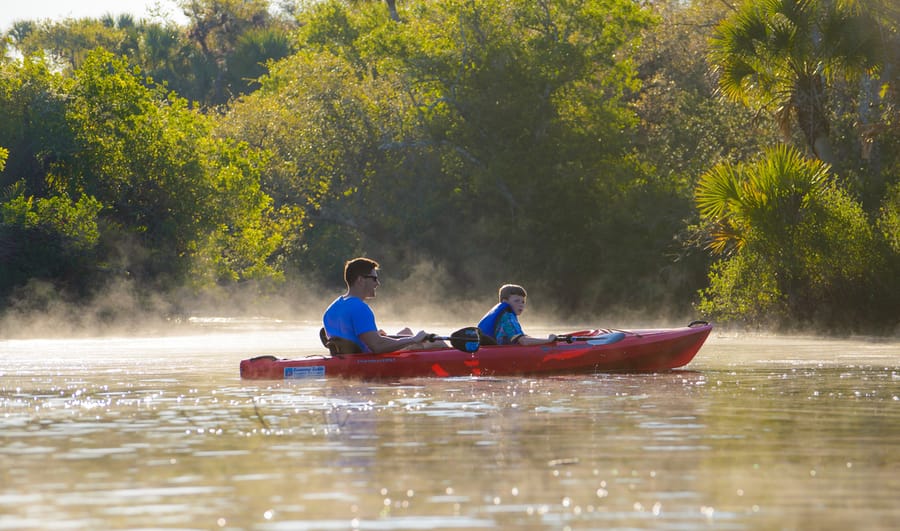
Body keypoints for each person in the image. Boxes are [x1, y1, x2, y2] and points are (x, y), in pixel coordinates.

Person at [323, 257, 437, 354]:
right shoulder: (360, 308)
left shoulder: (332, 308)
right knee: (435, 342)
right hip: (366, 360)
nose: (378, 283)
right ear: (360, 280)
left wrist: (374, 335)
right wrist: (414, 339)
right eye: (374, 279)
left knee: (406, 332)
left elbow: (348, 335)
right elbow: (377, 346)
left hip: (347, 358)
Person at [477, 284, 557, 345]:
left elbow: (521, 338)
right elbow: (523, 341)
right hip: (498, 354)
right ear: (505, 301)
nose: (521, 304)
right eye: (516, 301)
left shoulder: (503, 313)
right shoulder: (507, 317)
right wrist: (548, 340)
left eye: (523, 302)